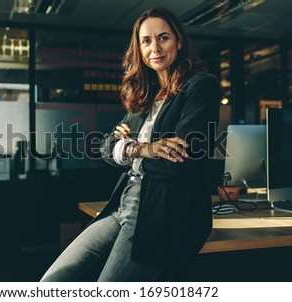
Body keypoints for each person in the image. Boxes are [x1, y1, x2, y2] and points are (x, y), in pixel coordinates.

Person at [41, 6, 220, 282]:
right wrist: (142, 148)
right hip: (121, 206)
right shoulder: (144, 95)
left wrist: (128, 149)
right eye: (146, 41)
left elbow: (181, 162)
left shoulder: (199, 87)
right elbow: (105, 148)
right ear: (139, 48)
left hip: (161, 214)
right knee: (52, 281)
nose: (155, 48)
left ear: (179, 41)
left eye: (164, 38)